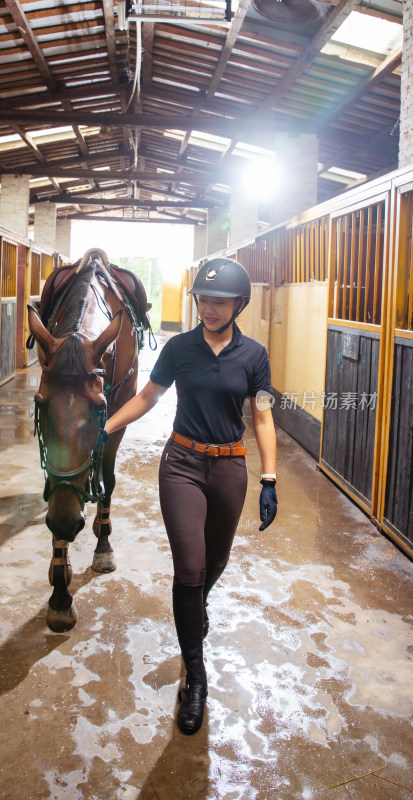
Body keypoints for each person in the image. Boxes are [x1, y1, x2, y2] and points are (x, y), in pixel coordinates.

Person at [104, 257, 278, 735]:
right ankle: (196, 679)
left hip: (229, 467)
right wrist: (107, 426)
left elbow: (262, 416)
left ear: (239, 304)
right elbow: (148, 397)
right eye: (203, 300)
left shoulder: (255, 356)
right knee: (189, 568)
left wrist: (269, 479)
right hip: (180, 464)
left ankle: (196, 607)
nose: (209, 308)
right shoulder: (179, 347)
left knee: (214, 563)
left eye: (219, 302)